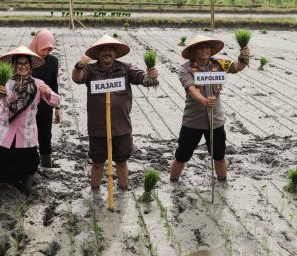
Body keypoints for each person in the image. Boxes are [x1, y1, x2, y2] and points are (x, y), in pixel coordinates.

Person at [72, 34, 158, 190]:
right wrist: (78, 66)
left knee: (122, 160)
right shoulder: (90, 70)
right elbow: (77, 79)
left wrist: (151, 76)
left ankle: (124, 189)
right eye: (104, 50)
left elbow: (142, 79)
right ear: (98, 53)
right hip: (97, 127)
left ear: (116, 53)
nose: (107, 52)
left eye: (111, 49)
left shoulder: (126, 68)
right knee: (97, 162)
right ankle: (95, 192)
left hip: (121, 126)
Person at [170, 34, 249, 182]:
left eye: (207, 47)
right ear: (193, 50)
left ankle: (223, 182)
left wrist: (244, 56)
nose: (205, 50)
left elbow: (238, 67)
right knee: (182, 155)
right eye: (201, 47)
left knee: (219, 155)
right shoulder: (185, 69)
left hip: (216, 120)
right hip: (193, 121)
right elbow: (191, 89)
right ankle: (173, 182)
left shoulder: (219, 64)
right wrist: (204, 101)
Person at [0, 46, 61, 196]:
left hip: (26, 132)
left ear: (30, 66)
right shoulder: (8, 83)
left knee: (30, 162)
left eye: (26, 63)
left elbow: (56, 100)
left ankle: (26, 188)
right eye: (19, 63)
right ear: (14, 66)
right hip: (5, 129)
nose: (23, 66)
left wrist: (48, 93)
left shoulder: (38, 84)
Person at [30, 29, 61, 168]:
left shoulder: (53, 61)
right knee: (28, 135)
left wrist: (57, 108)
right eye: (44, 48)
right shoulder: (26, 58)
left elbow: (54, 84)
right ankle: (29, 165)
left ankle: (46, 165)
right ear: (37, 43)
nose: (46, 52)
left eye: (49, 49)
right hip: (27, 105)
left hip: (45, 104)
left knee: (45, 136)